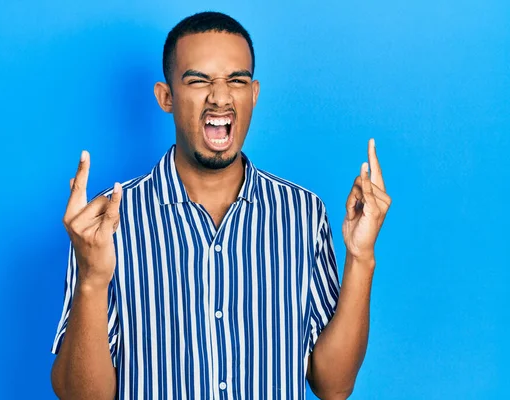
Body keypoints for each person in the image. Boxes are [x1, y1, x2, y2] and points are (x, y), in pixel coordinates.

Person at [50, 11, 391, 400]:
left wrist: (361, 256)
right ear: (166, 97)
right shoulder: (106, 222)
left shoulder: (303, 213)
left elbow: (333, 386)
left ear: (254, 94)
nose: (220, 96)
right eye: (198, 80)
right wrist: (92, 279)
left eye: (236, 80)